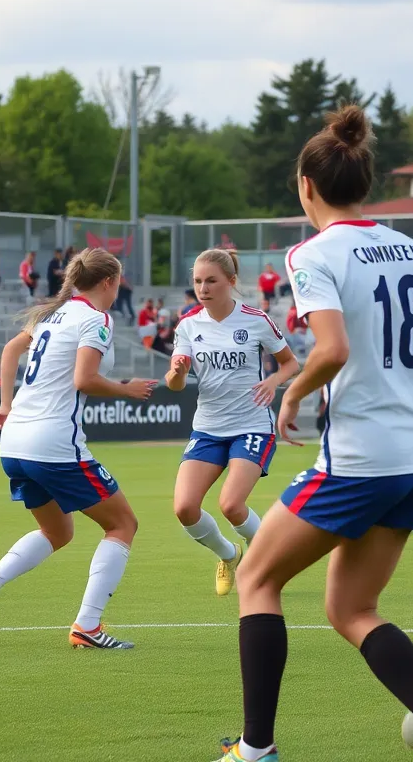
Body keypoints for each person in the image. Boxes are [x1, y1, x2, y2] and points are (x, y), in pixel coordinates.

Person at [213, 106, 413, 762]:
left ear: (306, 187)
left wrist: (292, 391)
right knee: (351, 607)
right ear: (363, 186)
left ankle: (255, 749)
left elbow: (332, 348)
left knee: (255, 576)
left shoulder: (312, 252)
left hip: (361, 457)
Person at [0, 248, 158, 650]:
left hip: (14, 442)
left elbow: (9, 350)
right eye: (119, 283)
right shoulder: (96, 318)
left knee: (56, 531)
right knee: (122, 524)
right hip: (53, 443)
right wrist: (126, 389)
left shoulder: (51, 314)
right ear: (109, 282)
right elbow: (85, 379)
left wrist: (6, 405)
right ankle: (88, 627)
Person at [164, 249, 300, 597]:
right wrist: (177, 373)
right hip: (208, 427)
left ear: (231, 282)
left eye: (211, 280)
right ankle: (228, 554)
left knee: (231, 504)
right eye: (197, 281)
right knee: (184, 508)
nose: (203, 288)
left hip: (252, 425)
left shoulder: (256, 319)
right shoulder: (188, 326)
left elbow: (290, 364)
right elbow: (175, 384)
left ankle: (269, 561)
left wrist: (273, 382)